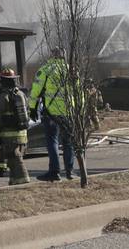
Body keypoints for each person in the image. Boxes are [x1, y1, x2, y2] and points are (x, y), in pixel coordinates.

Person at [29, 48, 74, 181]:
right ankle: (70, 172)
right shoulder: (71, 71)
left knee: (52, 141)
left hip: (51, 112)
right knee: (68, 142)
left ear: (52, 56)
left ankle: (55, 172)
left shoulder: (46, 70)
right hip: (69, 113)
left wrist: (32, 108)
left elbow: (35, 91)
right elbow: (79, 93)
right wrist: (80, 111)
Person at [0, 68, 31, 185]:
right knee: (13, 158)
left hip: (9, 135)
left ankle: (23, 178)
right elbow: (27, 112)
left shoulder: (3, 96)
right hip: (22, 133)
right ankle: (14, 180)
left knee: (15, 158)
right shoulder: (22, 94)